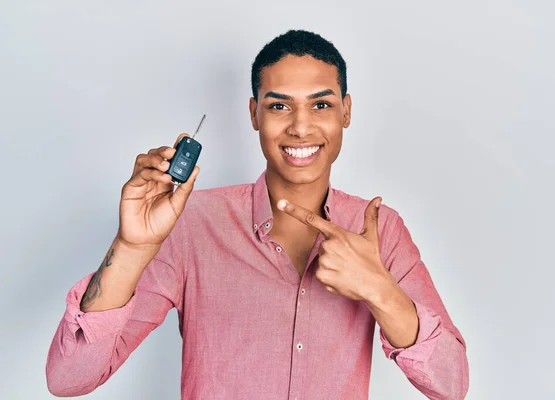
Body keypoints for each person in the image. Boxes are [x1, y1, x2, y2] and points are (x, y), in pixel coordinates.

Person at [46, 29, 469, 400]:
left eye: (320, 106)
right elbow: (69, 379)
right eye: (279, 106)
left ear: (346, 111)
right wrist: (132, 247)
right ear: (254, 114)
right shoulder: (191, 224)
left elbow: (451, 385)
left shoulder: (379, 229)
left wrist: (382, 291)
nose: (300, 127)